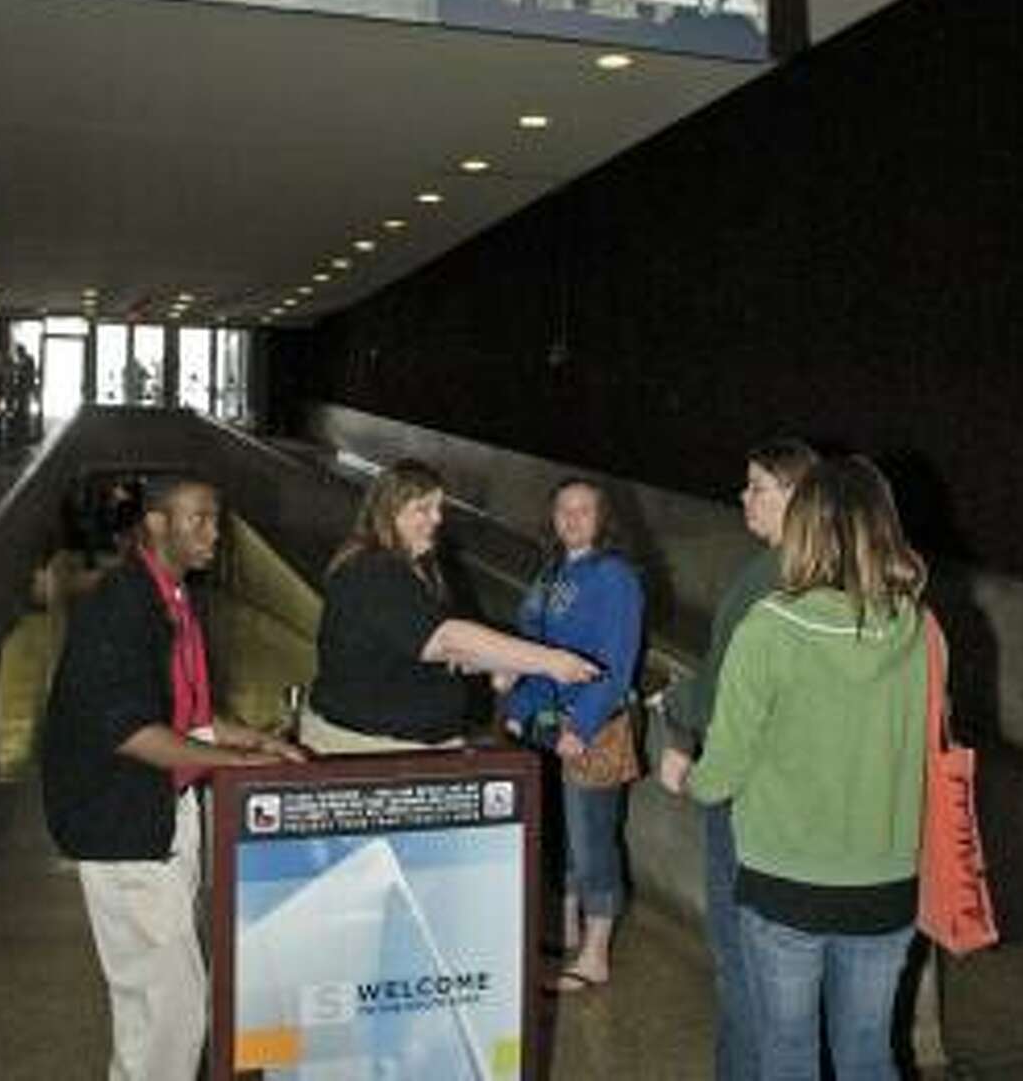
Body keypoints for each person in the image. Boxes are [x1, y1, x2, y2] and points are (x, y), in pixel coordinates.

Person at [42, 475, 303, 1081]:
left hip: (163, 814)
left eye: (216, 519)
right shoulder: (120, 608)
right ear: (157, 523)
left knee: (158, 1006)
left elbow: (184, 714)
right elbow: (131, 731)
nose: (214, 533)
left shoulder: (171, 597)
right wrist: (237, 764)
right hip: (124, 823)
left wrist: (254, 739)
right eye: (199, 519)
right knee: (171, 1011)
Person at [685, 455, 928, 1081]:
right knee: (869, 1054)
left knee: (787, 1053)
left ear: (806, 527)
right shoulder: (918, 628)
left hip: (785, 886)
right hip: (886, 884)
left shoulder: (770, 628)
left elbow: (721, 773)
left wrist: (689, 777)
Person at [658, 437, 818, 1081]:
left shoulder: (765, 577)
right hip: (817, 806)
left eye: (757, 486)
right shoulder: (841, 573)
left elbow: (722, 689)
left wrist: (676, 716)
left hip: (748, 795)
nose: (743, 496)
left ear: (796, 495)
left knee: (744, 963)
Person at [301, 459, 600, 754]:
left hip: (401, 743)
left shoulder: (414, 567)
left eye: (438, 508)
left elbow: (440, 651)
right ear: (390, 511)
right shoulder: (373, 571)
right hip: (370, 749)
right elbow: (447, 639)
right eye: (423, 509)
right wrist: (551, 661)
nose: (437, 519)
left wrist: (501, 661)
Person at [504, 479, 645, 992]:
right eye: (564, 509)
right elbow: (533, 648)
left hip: (593, 728)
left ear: (603, 518)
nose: (573, 518)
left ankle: (596, 953)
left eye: (585, 510)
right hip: (545, 724)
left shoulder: (615, 577)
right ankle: (565, 930)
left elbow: (617, 663)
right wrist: (520, 708)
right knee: (561, 834)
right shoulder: (552, 572)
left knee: (592, 842)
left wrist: (580, 725)